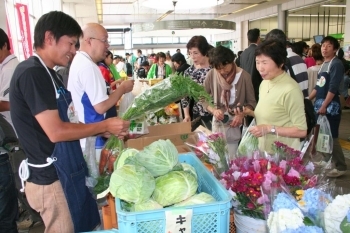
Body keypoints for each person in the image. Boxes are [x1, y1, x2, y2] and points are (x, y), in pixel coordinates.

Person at [10, 11, 130, 233]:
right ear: (49, 37)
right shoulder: (31, 73)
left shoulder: (50, 74)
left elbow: (70, 120)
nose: (74, 50)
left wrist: (102, 132)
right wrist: (103, 125)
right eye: (71, 43)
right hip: (51, 179)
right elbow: (55, 131)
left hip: (65, 170)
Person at [68, 23, 134, 154]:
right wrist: (122, 89)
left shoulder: (80, 61)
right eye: (104, 40)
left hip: (90, 136)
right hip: (93, 143)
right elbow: (101, 106)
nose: (107, 45)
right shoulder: (88, 67)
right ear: (89, 41)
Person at [242, 40, 307, 152]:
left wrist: (268, 129)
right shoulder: (265, 83)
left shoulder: (290, 89)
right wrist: (250, 112)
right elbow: (274, 115)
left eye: (265, 62)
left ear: (280, 63)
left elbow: (301, 130)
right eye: (257, 62)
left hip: (282, 155)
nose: (260, 68)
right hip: (265, 150)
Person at [201, 46, 256, 157]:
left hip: (235, 122)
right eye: (218, 68)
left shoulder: (244, 76)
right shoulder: (212, 74)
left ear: (231, 61)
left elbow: (251, 102)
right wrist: (213, 110)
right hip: (218, 121)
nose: (222, 71)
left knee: (232, 155)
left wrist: (241, 115)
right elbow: (202, 97)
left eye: (224, 66)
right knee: (218, 154)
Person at [309, 36, 347, 178]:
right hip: (320, 104)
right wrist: (308, 99)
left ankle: (341, 166)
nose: (324, 48)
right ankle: (328, 160)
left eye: (329, 46)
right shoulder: (324, 64)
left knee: (332, 135)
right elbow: (318, 85)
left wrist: (325, 105)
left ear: (335, 49)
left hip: (330, 106)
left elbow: (333, 87)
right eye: (323, 45)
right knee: (322, 134)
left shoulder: (336, 64)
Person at [0, 28, 19, 233]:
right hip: (8, 139)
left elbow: (10, 103)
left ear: (4, 45)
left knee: (10, 194)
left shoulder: (10, 68)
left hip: (12, 137)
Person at [182, 36, 213, 131]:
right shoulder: (189, 72)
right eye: (190, 53)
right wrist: (187, 115)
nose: (192, 56)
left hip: (214, 114)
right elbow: (185, 96)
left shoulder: (215, 69)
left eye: (196, 53)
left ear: (204, 51)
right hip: (196, 115)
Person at [265, 29, 309, 98]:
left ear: (274, 45)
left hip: (292, 104)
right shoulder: (300, 58)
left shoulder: (282, 62)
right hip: (302, 102)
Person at [239, 28, 262, 102]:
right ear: (258, 38)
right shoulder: (259, 52)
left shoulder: (243, 53)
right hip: (257, 87)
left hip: (245, 87)